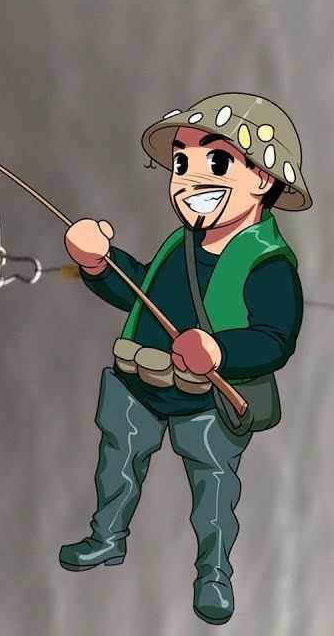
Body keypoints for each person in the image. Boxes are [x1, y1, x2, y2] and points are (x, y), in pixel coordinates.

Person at [59, 93, 310, 625]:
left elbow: (276, 339)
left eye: (216, 162)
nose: (189, 180)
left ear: (262, 180)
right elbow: (138, 292)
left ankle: (214, 573)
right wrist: (99, 264)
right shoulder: (179, 245)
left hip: (206, 405)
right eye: (180, 163)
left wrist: (221, 351)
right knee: (117, 465)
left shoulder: (269, 264)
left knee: (213, 489)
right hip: (138, 389)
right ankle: (107, 539)